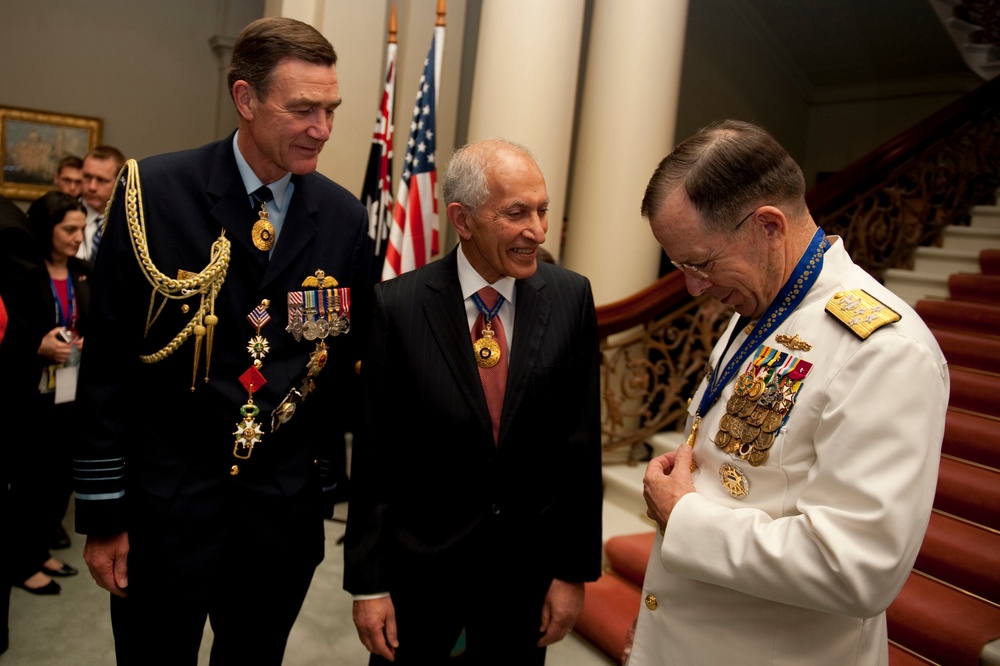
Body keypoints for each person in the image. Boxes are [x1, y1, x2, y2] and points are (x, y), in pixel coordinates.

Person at [74, 17, 375, 666]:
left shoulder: (345, 218)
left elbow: (342, 367)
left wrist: (322, 483)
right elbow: (107, 364)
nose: (323, 128)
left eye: (331, 109)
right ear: (245, 99)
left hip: (281, 517)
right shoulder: (151, 193)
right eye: (303, 109)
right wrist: (104, 511)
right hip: (168, 508)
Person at [624, 120, 949, 665]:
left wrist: (684, 516)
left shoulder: (883, 351)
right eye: (679, 266)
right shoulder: (764, 306)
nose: (692, 286)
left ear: (768, 226)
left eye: (699, 263)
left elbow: (856, 568)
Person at [344, 138, 603, 665]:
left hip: (523, 581)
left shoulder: (571, 298)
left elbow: (580, 450)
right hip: (420, 576)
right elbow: (376, 459)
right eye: (516, 213)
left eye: (542, 209)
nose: (538, 230)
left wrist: (572, 572)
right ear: (462, 220)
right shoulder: (398, 307)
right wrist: (368, 585)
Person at [7, 192, 89, 596]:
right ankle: (19, 563)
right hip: (29, 393)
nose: (78, 237)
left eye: (81, 228)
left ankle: (38, 552)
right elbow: (9, 332)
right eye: (69, 229)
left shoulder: (85, 273)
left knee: (59, 481)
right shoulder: (22, 273)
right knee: (28, 482)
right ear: (47, 229)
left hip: (71, 392)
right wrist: (37, 346)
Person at [77, 145, 125, 261]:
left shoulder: (128, 222)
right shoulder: (62, 216)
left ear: (119, 182)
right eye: (87, 177)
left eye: (102, 180)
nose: (92, 187)